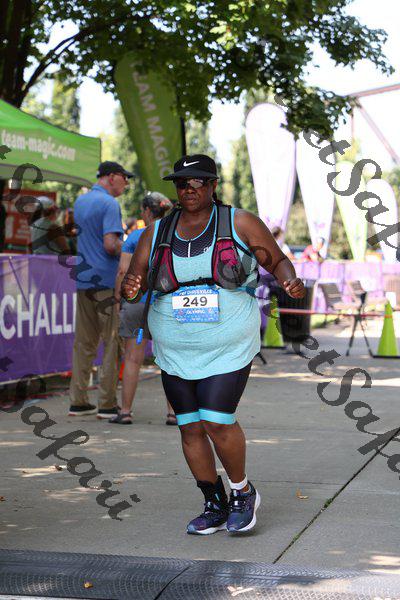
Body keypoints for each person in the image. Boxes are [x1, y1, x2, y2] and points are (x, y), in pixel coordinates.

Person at [121, 154, 305, 535]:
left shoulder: (240, 222)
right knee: (189, 426)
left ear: (212, 185)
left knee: (216, 420)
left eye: (197, 182)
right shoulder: (155, 233)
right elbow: (133, 282)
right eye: (182, 183)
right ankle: (214, 501)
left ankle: (243, 492)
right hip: (175, 349)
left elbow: (277, 260)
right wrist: (131, 287)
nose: (189, 189)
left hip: (228, 344)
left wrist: (289, 280)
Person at [68, 161, 133, 418]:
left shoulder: (80, 201)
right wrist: (130, 249)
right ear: (112, 177)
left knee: (84, 342)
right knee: (112, 341)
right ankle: (107, 403)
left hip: (84, 278)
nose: (126, 184)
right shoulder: (109, 204)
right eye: (125, 178)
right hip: (106, 281)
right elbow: (110, 244)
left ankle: (78, 401)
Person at [112, 192, 176, 425]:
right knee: (169, 359)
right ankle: (173, 413)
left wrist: (119, 298)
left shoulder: (136, 236)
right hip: (166, 304)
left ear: (147, 211)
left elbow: (123, 271)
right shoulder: (175, 235)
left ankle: (125, 411)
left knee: (132, 358)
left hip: (137, 302)